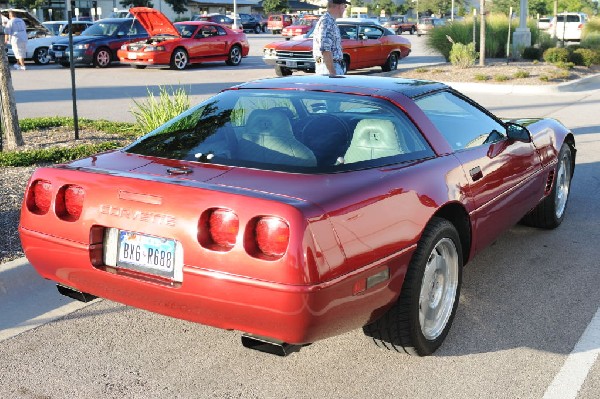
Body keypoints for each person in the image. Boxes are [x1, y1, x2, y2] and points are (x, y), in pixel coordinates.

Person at [312, 0, 350, 77]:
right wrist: (333, 73)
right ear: (339, 6)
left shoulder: (330, 21)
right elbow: (325, 49)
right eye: (344, 6)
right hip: (328, 68)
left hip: (330, 66)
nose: (344, 9)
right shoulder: (327, 22)